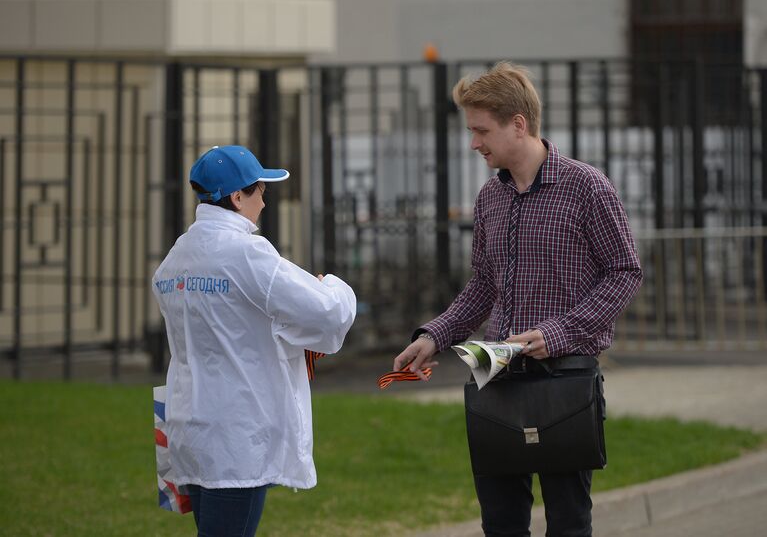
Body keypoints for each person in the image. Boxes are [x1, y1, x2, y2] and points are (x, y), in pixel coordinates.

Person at [393, 63, 642, 536]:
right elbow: (483, 285)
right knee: (501, 524)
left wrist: (560, 332)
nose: (474, 143)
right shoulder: (490, 198)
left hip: (566, 375)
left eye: (481, 130)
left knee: (569, 523)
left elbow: (625, 272)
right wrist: (434, 336)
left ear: (518, 124)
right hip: (495, 372)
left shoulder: (587, 187)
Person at [152, 145, 356, 536]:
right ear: (237, 197)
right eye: (260, 190)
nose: (264, 201)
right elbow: (328, 314)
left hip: (187, 428)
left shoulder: (177, 256)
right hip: (237, 438)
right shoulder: (246, 253)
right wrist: (329, 284)